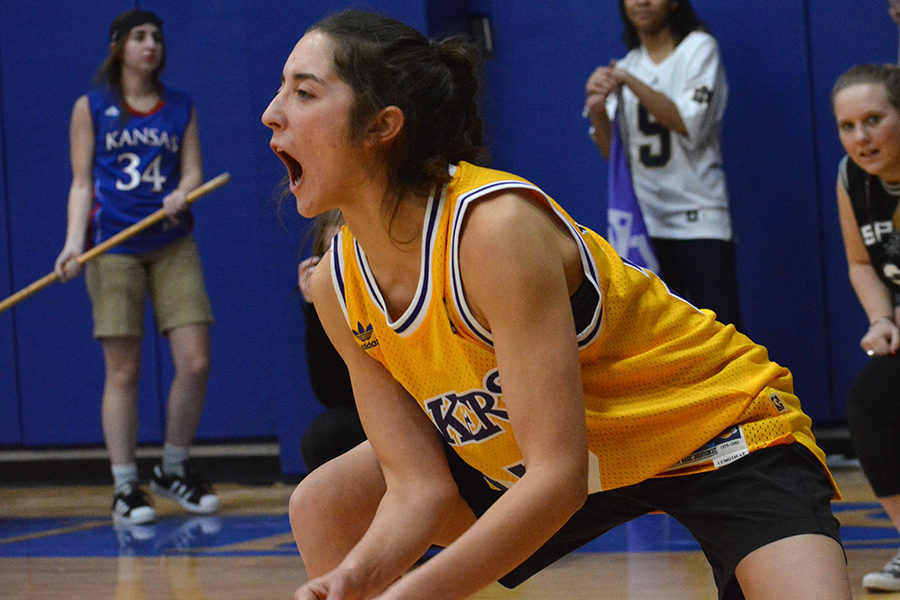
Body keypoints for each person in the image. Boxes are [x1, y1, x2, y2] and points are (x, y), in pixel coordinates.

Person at [262, 9, 850, 600]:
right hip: (572, 450)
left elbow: (555, 480)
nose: (272, 113)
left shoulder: (493, 231)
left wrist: (412, 593)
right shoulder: (337, 284)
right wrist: (355, 579)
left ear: (381, 126)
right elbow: (417, 487)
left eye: (303, 92)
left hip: (709, 426)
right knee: (327, 502)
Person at [54, 9, 219, 525]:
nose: (150, 45)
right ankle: (126, 487)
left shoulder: (181, 106)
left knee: (194, 361)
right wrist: (71, 243)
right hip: (114, 248)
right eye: (139, 37)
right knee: (122, 369)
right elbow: (82, 182)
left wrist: (182, 193)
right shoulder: (93, 107)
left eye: (156, 37)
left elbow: (193, 170)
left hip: (172, 243)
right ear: (117, 47)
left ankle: (173, 468)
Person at [584, 0, 742, 330]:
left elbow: (687, 122)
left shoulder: (698, 48)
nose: (641, 1)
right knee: (657, 336)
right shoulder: (628, 64)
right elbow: (611, 153)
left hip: (700, 217)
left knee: (718, 334)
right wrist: (597, 108)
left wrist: (630, 81)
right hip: (646, 222)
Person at [832, 63, 900, 592]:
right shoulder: (851, 178)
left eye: (874, 119)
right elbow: (861, 263)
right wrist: (881, 320)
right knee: (872, 401)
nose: (861, 137)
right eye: (847, 126)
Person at [297, 209, 366, 470]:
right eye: (335, 253)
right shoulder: (330, 289)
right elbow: (332, 395)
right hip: (376, 413)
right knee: (326, 437)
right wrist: (317, 310)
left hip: (427, 407)